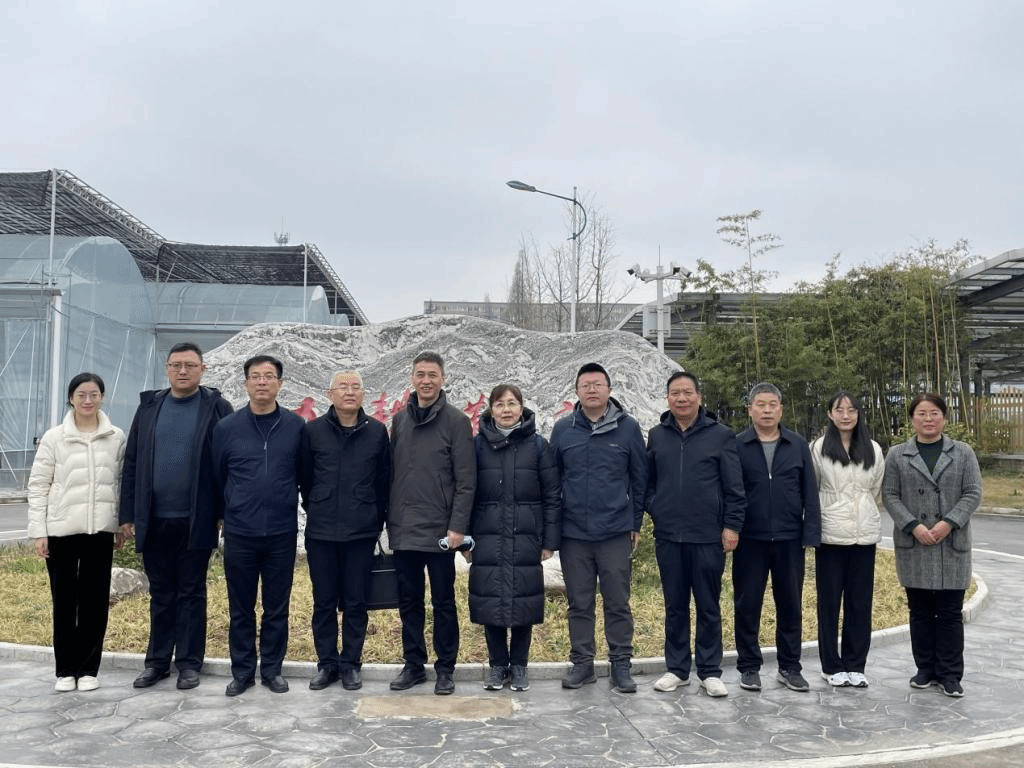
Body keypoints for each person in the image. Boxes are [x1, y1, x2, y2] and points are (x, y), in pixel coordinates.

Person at [119, 342, 233, 691]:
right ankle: (156, 663)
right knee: (161, 594)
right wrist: (127, 514)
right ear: (167, 368)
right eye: (176, 365)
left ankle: (188, 663)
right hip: (154, 519)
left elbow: (227, 463)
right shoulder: (150, 407)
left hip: (197, 518)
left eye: (190, 365)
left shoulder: (216, 407)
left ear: (203, 369)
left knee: (191, 592)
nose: (182, 371)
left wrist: (223, 512)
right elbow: (132, 462)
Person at [550, 362, 647, 693]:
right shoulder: (563, 430)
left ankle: (621, 664)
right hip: (574, 533)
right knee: (579, 602)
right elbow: (553, 481)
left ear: (609, 389)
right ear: (577, 392)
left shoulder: (628, 428)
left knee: (617, 601)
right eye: (585, 385)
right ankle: (582, 663)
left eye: (597, 384)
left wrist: (635, 522)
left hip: (615, 531)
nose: (592, 390)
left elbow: (639, 478)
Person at [646, 371, 744, 698]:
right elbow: (647, 482)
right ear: (668, 398)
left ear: (699, 397)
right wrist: (656, 507)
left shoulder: (721, 435)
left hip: (707, 536)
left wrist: (731, 526)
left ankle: (709, 670)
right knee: (675, 605)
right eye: (675, 393)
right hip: (668, 536)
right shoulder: (657, 435)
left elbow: (734, 488)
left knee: (707, 605)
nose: (682, 398)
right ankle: (676, 669)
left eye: (687, 392)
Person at [212, 354, 304, 696]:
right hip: (240, 532)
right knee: (241, 607)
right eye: (255, 376)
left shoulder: (296, 426)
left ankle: (272, 670)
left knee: (277, 607)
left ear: (280, 383)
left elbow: (304, 474)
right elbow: (217, 477)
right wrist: (223, 515)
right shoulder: (227, 428)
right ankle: (242, 672)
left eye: (268, 376)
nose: (262, 382)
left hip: (281, 531)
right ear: (246, 383)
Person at [28, 373, 125, 692]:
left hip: (100, 531)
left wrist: (120, 524)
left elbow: (121, 484)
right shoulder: (54, 438)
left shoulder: (116, 437)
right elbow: (38, 485)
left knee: (95, 602)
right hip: (61, 531)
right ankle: (65, 670)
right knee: (65, 601)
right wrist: (39, 531)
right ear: (71, 398)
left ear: (102, 397)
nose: (88, 400)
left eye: (94, 394)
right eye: (81, 394)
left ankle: (88, 670)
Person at [387, 351, 476, 696]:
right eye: (420, 374)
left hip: (441, 532)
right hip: (404, 529)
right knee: (408, 601)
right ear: (412, 378)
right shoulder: (400, 421)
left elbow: (466, 480)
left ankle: (445, 668)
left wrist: (458, 528)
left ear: (442, 379)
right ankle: (413, 664)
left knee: (443, 602)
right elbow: (394, 474)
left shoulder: (456, 421)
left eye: (432, 375)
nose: (426, 381)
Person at [883, 393, 981, 698]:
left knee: (950, 612)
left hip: (952, 541)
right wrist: (913, 525)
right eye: (922, 413)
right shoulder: (897, 454)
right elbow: (890, 495)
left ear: (944, 417)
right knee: (920, 611)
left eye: (934, 413)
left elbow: (973, 492)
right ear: (912, 419)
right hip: (915, 543)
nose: (928, 419)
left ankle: (950, 674)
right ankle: (925, 669)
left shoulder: (963, 452)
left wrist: (948, 522)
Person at [299, 370, 391, 692]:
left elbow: (383, 481)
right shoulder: (313, 431)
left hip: (360, 533)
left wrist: (374, 519)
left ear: (363, 394)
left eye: (355, 387)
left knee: (356, 602)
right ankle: (327, 664)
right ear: (330, 394)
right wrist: (319, 505)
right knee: (323, 602)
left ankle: (351, 663)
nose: (349, 392)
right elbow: (306, 479)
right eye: (342, 387)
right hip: (321, 533)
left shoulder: (376, 432)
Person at [467, 384, 561, 693]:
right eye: (499, 404)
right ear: (490, 409)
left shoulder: (538, 446)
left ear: (521, 408)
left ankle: (519, 665)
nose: (506, 409)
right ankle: (497, 666)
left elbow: (552, 496)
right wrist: (466, 541)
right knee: (491, 600)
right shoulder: (477, 446)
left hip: (526, 538)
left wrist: (549, 541)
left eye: (512, 403)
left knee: (523, 602)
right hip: (487, 536)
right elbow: (465, 494)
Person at [734, 382, 821, 693]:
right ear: (750, 410)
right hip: (750, 539)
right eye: (761, 404)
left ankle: (790, 666)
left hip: (789, 538)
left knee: (790, 604)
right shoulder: (738, 444)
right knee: (747, 604)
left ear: (781, 409)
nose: (767, 410)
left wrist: (811, 532)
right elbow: (731, 491)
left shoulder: (797, 444)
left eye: (772, 404)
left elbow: (810, 490)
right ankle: (749, 666)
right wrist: (730, 529)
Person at [810, 391, 884, 688]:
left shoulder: (873, 448)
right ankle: (831, 666)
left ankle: (856, 664)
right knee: (829, 603)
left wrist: (863, 513)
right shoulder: (818, 448)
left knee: (860, 603)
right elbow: (812, 488)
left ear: (858, 414)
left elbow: (876, 490)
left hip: (864, 536)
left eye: (851, 410)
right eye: (839, 410)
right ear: (830, 414)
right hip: (830, 536)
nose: (845, 415)